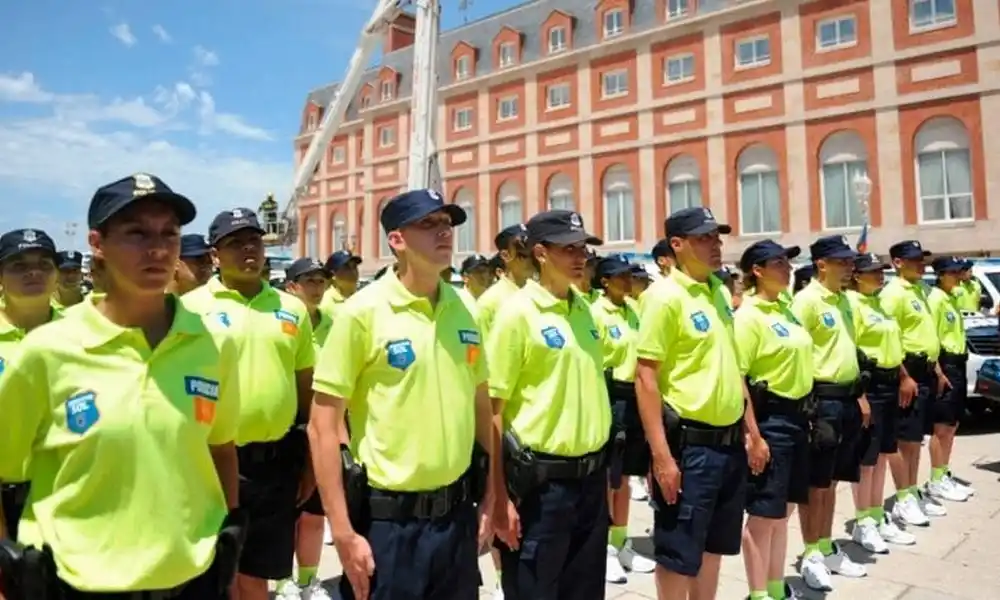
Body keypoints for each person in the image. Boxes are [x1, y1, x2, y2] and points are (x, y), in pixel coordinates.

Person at [0, 173, 242, 598]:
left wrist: (228, 538)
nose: (157, 248)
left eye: (169, 233)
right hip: (79, 585)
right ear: (97, 243)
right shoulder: (47, 351)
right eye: (136, 233)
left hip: (193, 582)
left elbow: (221, 448)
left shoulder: (212, 345)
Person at [309, 189, 496, 600]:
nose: (444, 232)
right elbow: (322, 427)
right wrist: (341, 532)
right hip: (390, 526)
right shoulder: (362, 313)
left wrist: (491, 496)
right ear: (397, 240)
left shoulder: (464, 308)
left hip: (456, 519)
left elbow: (481, 407)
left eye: (447, 224)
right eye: (428, 224)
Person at [183, 208, 316, 600]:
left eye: (254, 240)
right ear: (214, 255)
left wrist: (310, 459)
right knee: (215, 573)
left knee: (258, 574)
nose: (248, 249)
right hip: (209, 462)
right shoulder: (189, 310)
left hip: (275, 464)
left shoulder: (291, 310)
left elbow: (306, 392)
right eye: (235, 243)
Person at [635, 207, 766, 600]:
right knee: (679, 553)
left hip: (728, 445)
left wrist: (752, 432)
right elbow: (646, 377)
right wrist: (661, 456)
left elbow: (733, 368)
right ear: (677, 245)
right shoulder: (663, 297)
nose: (716, 246)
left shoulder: (718, 292)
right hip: (690, 448)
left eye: (717, 238)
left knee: (713, 547)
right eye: (704, 238)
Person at [487, 209, 611, 599]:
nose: (581, 258)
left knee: (585, 590)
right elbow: (492, 410)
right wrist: (498, 497)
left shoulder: (585, 309)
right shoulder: (517, 315)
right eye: (569, 249)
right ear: (540, 253)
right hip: (542, 487)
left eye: (584, 249)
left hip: (590, 481)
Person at [790, 235, 869, 591]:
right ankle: (811, 554)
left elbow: (847, 351)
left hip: (847, 398)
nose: (850, 267)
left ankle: (824, 543)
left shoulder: (845, 301)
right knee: (816, 484)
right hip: (821, 400)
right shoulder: (806, 302)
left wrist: (860, 396)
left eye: (850, 261)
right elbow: (798, 356)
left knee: (833, 481)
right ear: (821, 264)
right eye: (842, 262)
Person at [735, 240, 811, 600]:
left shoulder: (786, 310)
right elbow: (739, 378)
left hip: (798, 417)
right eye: (778, 262)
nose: (787, 267)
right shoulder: (749, 316)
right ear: (757, 270)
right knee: (764, 515)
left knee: (784, 511)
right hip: (771, 420)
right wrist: (753, 435)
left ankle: (777, 589)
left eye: (788, 262)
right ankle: (759, 593)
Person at [589, 254, 656, 584]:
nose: (628, 281)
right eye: (620, 277)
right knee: (607, 479)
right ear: (604, 281)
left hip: (634, 399)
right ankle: (603, 549)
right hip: (610, 396)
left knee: (627, 478)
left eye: (630, 276)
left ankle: (620, 540)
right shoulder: (596, 313)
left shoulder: (634, 310)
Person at [846, 253, 917, 552]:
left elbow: (893, 345)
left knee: (884, 453)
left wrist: (902, 376)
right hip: (869, 383)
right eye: (873, 272)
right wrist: (859, 395)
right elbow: (848, 350)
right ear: (857, 275)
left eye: (881, 271)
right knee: (866, 459)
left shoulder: (877, 303)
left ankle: (875, 514)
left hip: (889, 382)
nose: (880, 276)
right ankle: (863, 520)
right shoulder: (851, 303)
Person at [278, 257, 338, 600]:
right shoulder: (281, 324)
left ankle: (307, 580)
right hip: (292, 425)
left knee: (316, 512)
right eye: (308, 281)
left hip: (328, 425)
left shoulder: (336, 323)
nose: (316, 288)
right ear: (292, 287)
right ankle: (283, 577)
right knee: (287, 512)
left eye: (320, 281)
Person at [879, 240, 949, 527]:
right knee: (905, 440)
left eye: (922, 259)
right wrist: (904, 376)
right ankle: (903, 496)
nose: (922, 264)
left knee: (915, 439)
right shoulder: (893, 294)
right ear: (897, 263)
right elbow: (889, 339)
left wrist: (937, 369)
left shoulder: (919, 290)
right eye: (914, 260)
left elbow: (924, 334)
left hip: (925, 369)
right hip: (907, 372)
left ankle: (912, 489)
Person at [0, 229, 63, 542]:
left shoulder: (85, 332)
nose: (34, 272)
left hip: (71, 488)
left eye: (44, 264)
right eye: (18, 265)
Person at [925, 257, 975, 500]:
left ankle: (944, 472)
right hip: (944, 363)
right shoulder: (935, 300)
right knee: (942, 426)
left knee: (953, 423)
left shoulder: (951, 297)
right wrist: (938, 372)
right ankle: (936, 478)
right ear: (941, 275)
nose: (958, 276)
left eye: (959, 272)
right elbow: (931, 337)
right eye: (953, 272)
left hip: (958, 362)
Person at [320, 250, 362, 319]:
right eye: (346, 268)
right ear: (333, 274)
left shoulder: (362, 299)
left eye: (354, 267)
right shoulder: (325, 304)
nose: (353, 272)